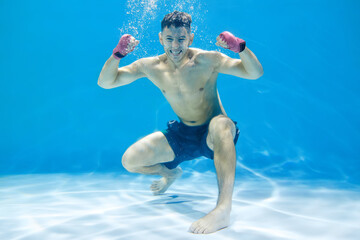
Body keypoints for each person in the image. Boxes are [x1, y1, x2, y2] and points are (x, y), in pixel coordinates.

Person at [98, 11, 263, 234]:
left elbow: (254, 73)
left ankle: (223, 209)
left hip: (212, 135)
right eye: (169, 39)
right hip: (183, 135)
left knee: (222, 125)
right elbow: (106, 82)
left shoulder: (208, 60)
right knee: (130, 160)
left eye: (181, 39)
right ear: (160, 38)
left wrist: (240, 48)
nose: (175, 45)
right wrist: (117, 55)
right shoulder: (150, 66)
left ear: (191, 38)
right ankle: (170, 173)